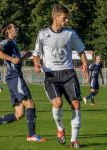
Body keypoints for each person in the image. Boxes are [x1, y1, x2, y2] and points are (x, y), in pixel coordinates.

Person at [33, 4, 88, 148]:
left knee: (76, 103)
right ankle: (60, 129)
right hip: (51, 75)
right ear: (55, 18)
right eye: (64, 18)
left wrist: (85, 64)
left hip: (68, 73)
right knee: (57, 103)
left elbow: (81, 50)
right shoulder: (43, 34)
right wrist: (37, 63)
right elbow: (36, 53)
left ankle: (74, 140)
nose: (67, 21)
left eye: (67, 18)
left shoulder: (71, 34)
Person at [0, 23, 46, 142]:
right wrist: (12, 58)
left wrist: (24, 57)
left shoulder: (14, 44)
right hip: (14, 77)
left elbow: (16, 62)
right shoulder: (7, 41)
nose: (17, 29)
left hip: (13, 78)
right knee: (30, 104)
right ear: (8, 30)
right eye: (14, 27)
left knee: (19, 114)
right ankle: (31, 135)